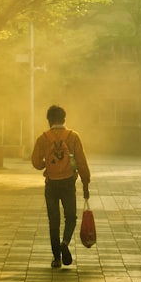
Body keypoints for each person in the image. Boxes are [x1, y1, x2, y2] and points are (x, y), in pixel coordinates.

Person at [31, 105, 91, 269]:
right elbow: (81, 163)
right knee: (70, 217)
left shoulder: (43, 138)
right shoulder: (73, 137)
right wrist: (85, 183)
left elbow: (35, 162)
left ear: (49, 120)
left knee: (54, 221)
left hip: (51, 185)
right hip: (68, 183)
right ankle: (65, 242)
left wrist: (46, 165)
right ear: (64, 119)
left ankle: (57, 258)